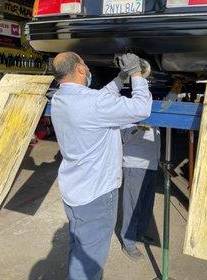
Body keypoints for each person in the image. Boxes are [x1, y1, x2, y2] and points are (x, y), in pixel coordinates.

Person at [50, 52, 152, 280]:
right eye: (85, 65)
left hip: (74, 193)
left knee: (79, 249)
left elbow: (98, 99)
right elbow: (142, 108)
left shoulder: (59, 100)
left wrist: (120, 78)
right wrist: (136, 73)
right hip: (97, 196)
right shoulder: (94, 104)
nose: (87, 69)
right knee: (89, 264)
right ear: (78, 69)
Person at [120, 124, 161, 260]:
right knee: (132, 207)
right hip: (135, 165)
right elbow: (123, 136)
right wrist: (139, 126)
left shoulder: (153, 108)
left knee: (146, 206)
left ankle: (139, 233)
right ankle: (129, 244)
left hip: (152, 164)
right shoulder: (129, 107)